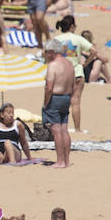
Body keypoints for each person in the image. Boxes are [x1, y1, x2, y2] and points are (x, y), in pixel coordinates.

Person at [42, 39, 75, 168]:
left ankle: (60, 161)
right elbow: (73, 84)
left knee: (56, 131)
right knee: (64, 130)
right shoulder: (69, 64)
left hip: (55, 98)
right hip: (66, 97)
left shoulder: (53, 65)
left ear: (51, 52)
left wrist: (46, 103)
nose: (45, 55)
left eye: (46, 52)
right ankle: (66, 161)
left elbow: (49, 88)